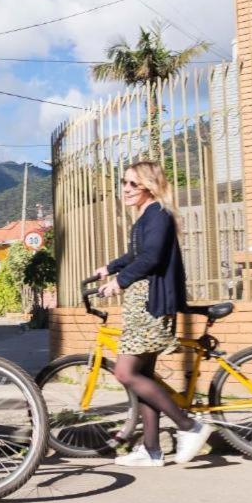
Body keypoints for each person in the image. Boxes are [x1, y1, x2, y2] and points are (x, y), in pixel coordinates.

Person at [94, 160, 212, 466]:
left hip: (150, 304)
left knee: (125, 372)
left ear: (150, 185)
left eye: (134, 184)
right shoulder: (148, 215)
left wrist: (118, 281)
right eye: (124, 183)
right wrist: (109, 267)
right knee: (143, 375)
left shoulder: (158, 212)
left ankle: (190, 426)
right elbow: (137, 254)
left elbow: (152, 257)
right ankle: (151, 449)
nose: (127, 189)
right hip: (141, 303)